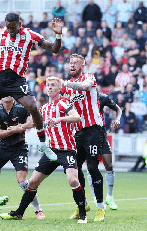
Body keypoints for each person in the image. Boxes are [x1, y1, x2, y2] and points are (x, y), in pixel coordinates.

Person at [0, 12, 63, 169]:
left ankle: (43, 144)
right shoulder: (0, 33)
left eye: (13, 27)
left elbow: (54, 49)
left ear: (20, 24)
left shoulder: (30, 35)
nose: (10, 30)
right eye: (8, 27)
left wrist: (58, 36)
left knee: (34, 108)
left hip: (17, 80)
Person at [0, 78, 87, 223]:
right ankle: (19, 213)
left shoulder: (64, 103)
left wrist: (59, 119)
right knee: (33, 181)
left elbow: (77, 117)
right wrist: (17, 128)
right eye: (48, 85)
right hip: (50, 151)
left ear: (59, 88)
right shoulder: (45, 108)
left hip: (66, 150)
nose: (50, 88)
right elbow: (34, 123)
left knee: (72, 180)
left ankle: (83, 214)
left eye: (53, 85)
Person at [61, 54, 107, 222]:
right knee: (74, 169)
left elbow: (86, 87)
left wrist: (66, 83)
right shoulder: (67, 88)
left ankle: (101, 208)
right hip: (77, 132)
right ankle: (83, 204)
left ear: (82, 65)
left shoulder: (89, 77)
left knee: (93, 168)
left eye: (76, 63)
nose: (72, 65)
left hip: (94, 129)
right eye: (70, 62)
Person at [86, 92, 122, 210]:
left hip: (101, 135)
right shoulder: (78, 97)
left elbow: (118, 109)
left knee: (109, 164)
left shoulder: (101, 97)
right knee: (91, 167)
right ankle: (96, 198)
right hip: (87, 136)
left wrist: (117, 119)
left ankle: (110, 197)